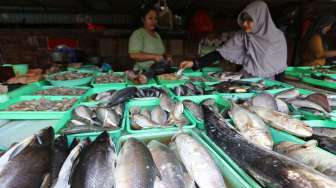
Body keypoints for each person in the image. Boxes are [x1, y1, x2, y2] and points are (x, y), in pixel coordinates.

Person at [179, 1, 287, 79]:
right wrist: (194, 63)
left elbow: (280, 67)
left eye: (250, 20)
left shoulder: (277, 38)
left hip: (270, 83)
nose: (244, 24)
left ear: (261, 19)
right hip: (247, 80)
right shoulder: (242, 37)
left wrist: (279, 88)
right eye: (244, 20)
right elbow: (220, 53)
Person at [128, 6, 171, 72]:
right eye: (150, 18)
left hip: (159, 71)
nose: (153, 21)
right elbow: (133, 55)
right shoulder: (138, 33)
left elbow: (162, 53)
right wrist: (154, 57)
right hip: (143, 72)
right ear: (143, 19)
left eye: (156, 19)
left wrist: (167, 57)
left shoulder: (157, 35)